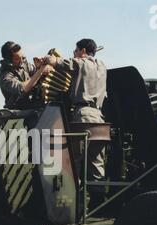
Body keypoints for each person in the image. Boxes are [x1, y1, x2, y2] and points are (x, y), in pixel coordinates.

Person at [43, 39, 107, 210]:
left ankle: (75, 207)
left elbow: (61, 62)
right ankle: (98, 204)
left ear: (83, 51)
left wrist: (48, 59)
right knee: (96, 163)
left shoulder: (82, 63)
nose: (74, 52)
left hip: (83, 115)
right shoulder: (102, 65)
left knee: (74, 161)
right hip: (99, 118)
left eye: (76, 50)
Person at [0, 41, 52, 109]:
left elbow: (36, 73)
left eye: (22, 57)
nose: (22, 61)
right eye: (17, 59)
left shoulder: (23, 63)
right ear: (9, 61)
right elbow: (23, 88)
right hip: (17, 109)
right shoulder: (4, 75)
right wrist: (40, 71)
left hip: (32, 103)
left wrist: (41, 66)